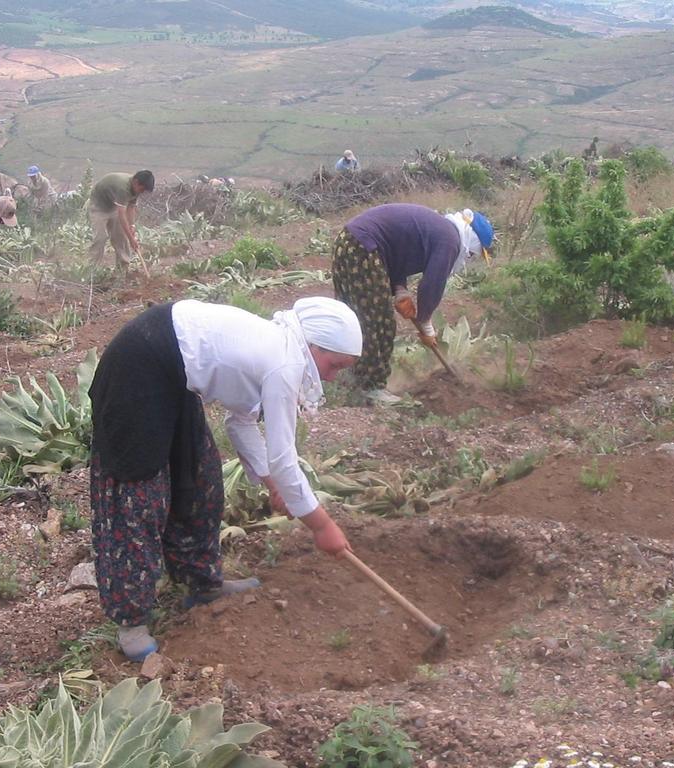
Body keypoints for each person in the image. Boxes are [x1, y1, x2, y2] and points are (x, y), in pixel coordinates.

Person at [89, 296, 361, 661]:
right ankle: (131, 622)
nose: (331, 376)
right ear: (314, 346)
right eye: (334, 364)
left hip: (175, 373)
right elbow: (283, 458)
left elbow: (242, 420)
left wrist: (274, 484)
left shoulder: (279, 349)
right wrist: (321, 525)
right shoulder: (284, 361)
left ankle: (202, 584)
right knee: (137, 494)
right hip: (138, 366)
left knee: (199, 478)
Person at [332, 203, 494, 405]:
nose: (469, 258)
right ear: (471, 241)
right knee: (378, 323)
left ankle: (349, 377)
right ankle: (370, 388)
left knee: (355, 319)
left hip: (352, 244)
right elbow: (432, 284)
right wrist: (425, 321)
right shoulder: (450, 240)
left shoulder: (439, 229)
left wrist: (400, 289)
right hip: (363, 248)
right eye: (472, 254)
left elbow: (397, 250)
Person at [85, 170, 155, 271]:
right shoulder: (123, 188)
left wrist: (132, 227)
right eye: (142, 189)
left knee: (120, 237)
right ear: (135, 182)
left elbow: (131, 208)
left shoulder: (136, 189)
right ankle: (92, 271)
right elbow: (122, 215)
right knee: (100, 238)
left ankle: (123, 269)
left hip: (113, 206)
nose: (142, 192)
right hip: (98, 206)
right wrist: (131, 239)